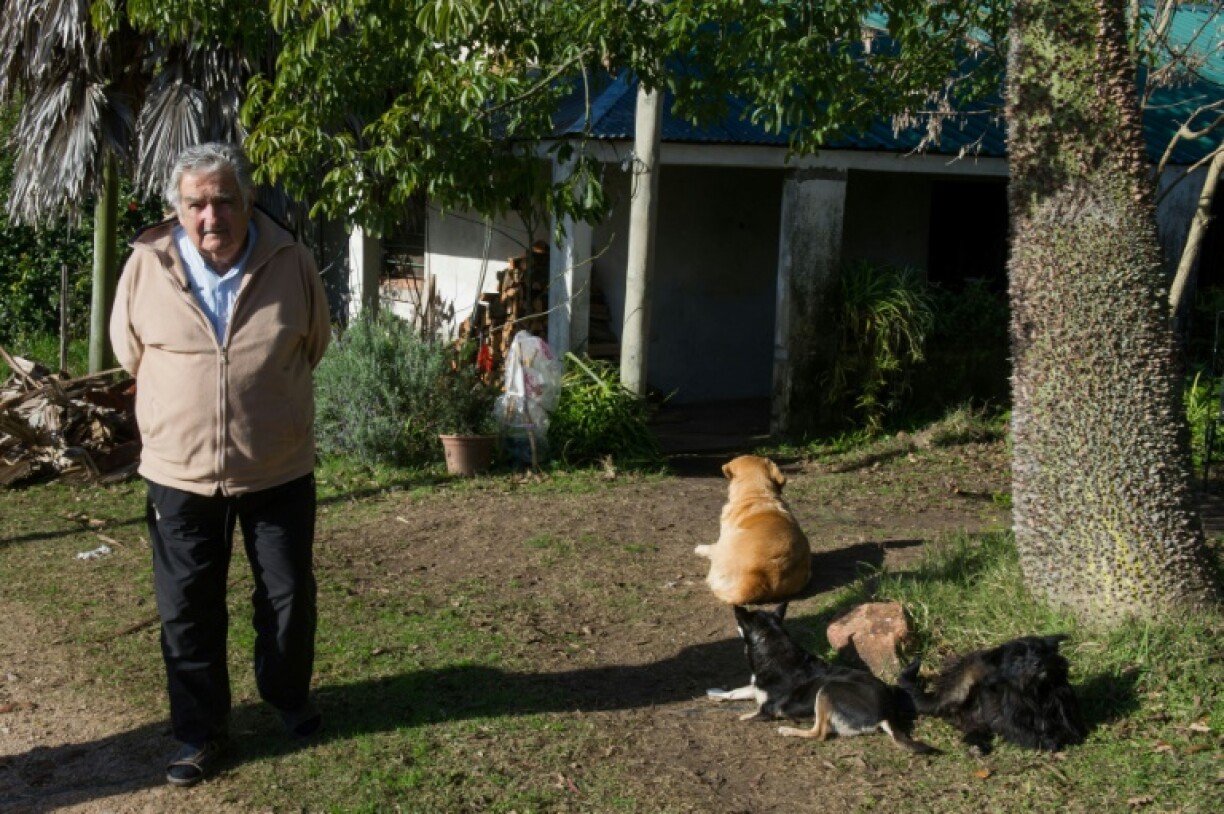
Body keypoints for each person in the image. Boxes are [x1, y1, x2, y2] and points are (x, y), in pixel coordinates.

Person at [110, 142, 331, 787]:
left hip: (277, 467)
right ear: (178, 210)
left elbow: (311, 343)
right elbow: (130, 350)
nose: (212, 216)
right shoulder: (145, 267)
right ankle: (200, 734)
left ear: (247, 200)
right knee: (187, 607)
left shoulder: (291, 260)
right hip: (178, 473)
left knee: (289, 597)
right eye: (196, 204)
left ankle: (287, 698)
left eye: (224, 201)